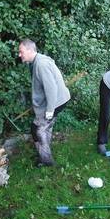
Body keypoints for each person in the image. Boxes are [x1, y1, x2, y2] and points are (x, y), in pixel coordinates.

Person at [18, 39, 70, 167]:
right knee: (45, 127)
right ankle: (44, 153)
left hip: (56, 101)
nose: (19, 55)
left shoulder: (41, 64)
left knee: (37, 129)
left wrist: (50, 110)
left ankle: (46, 160)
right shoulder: (35, 62)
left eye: (21, 51)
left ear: (30, 50)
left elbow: (51, 88)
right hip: (56, 100)